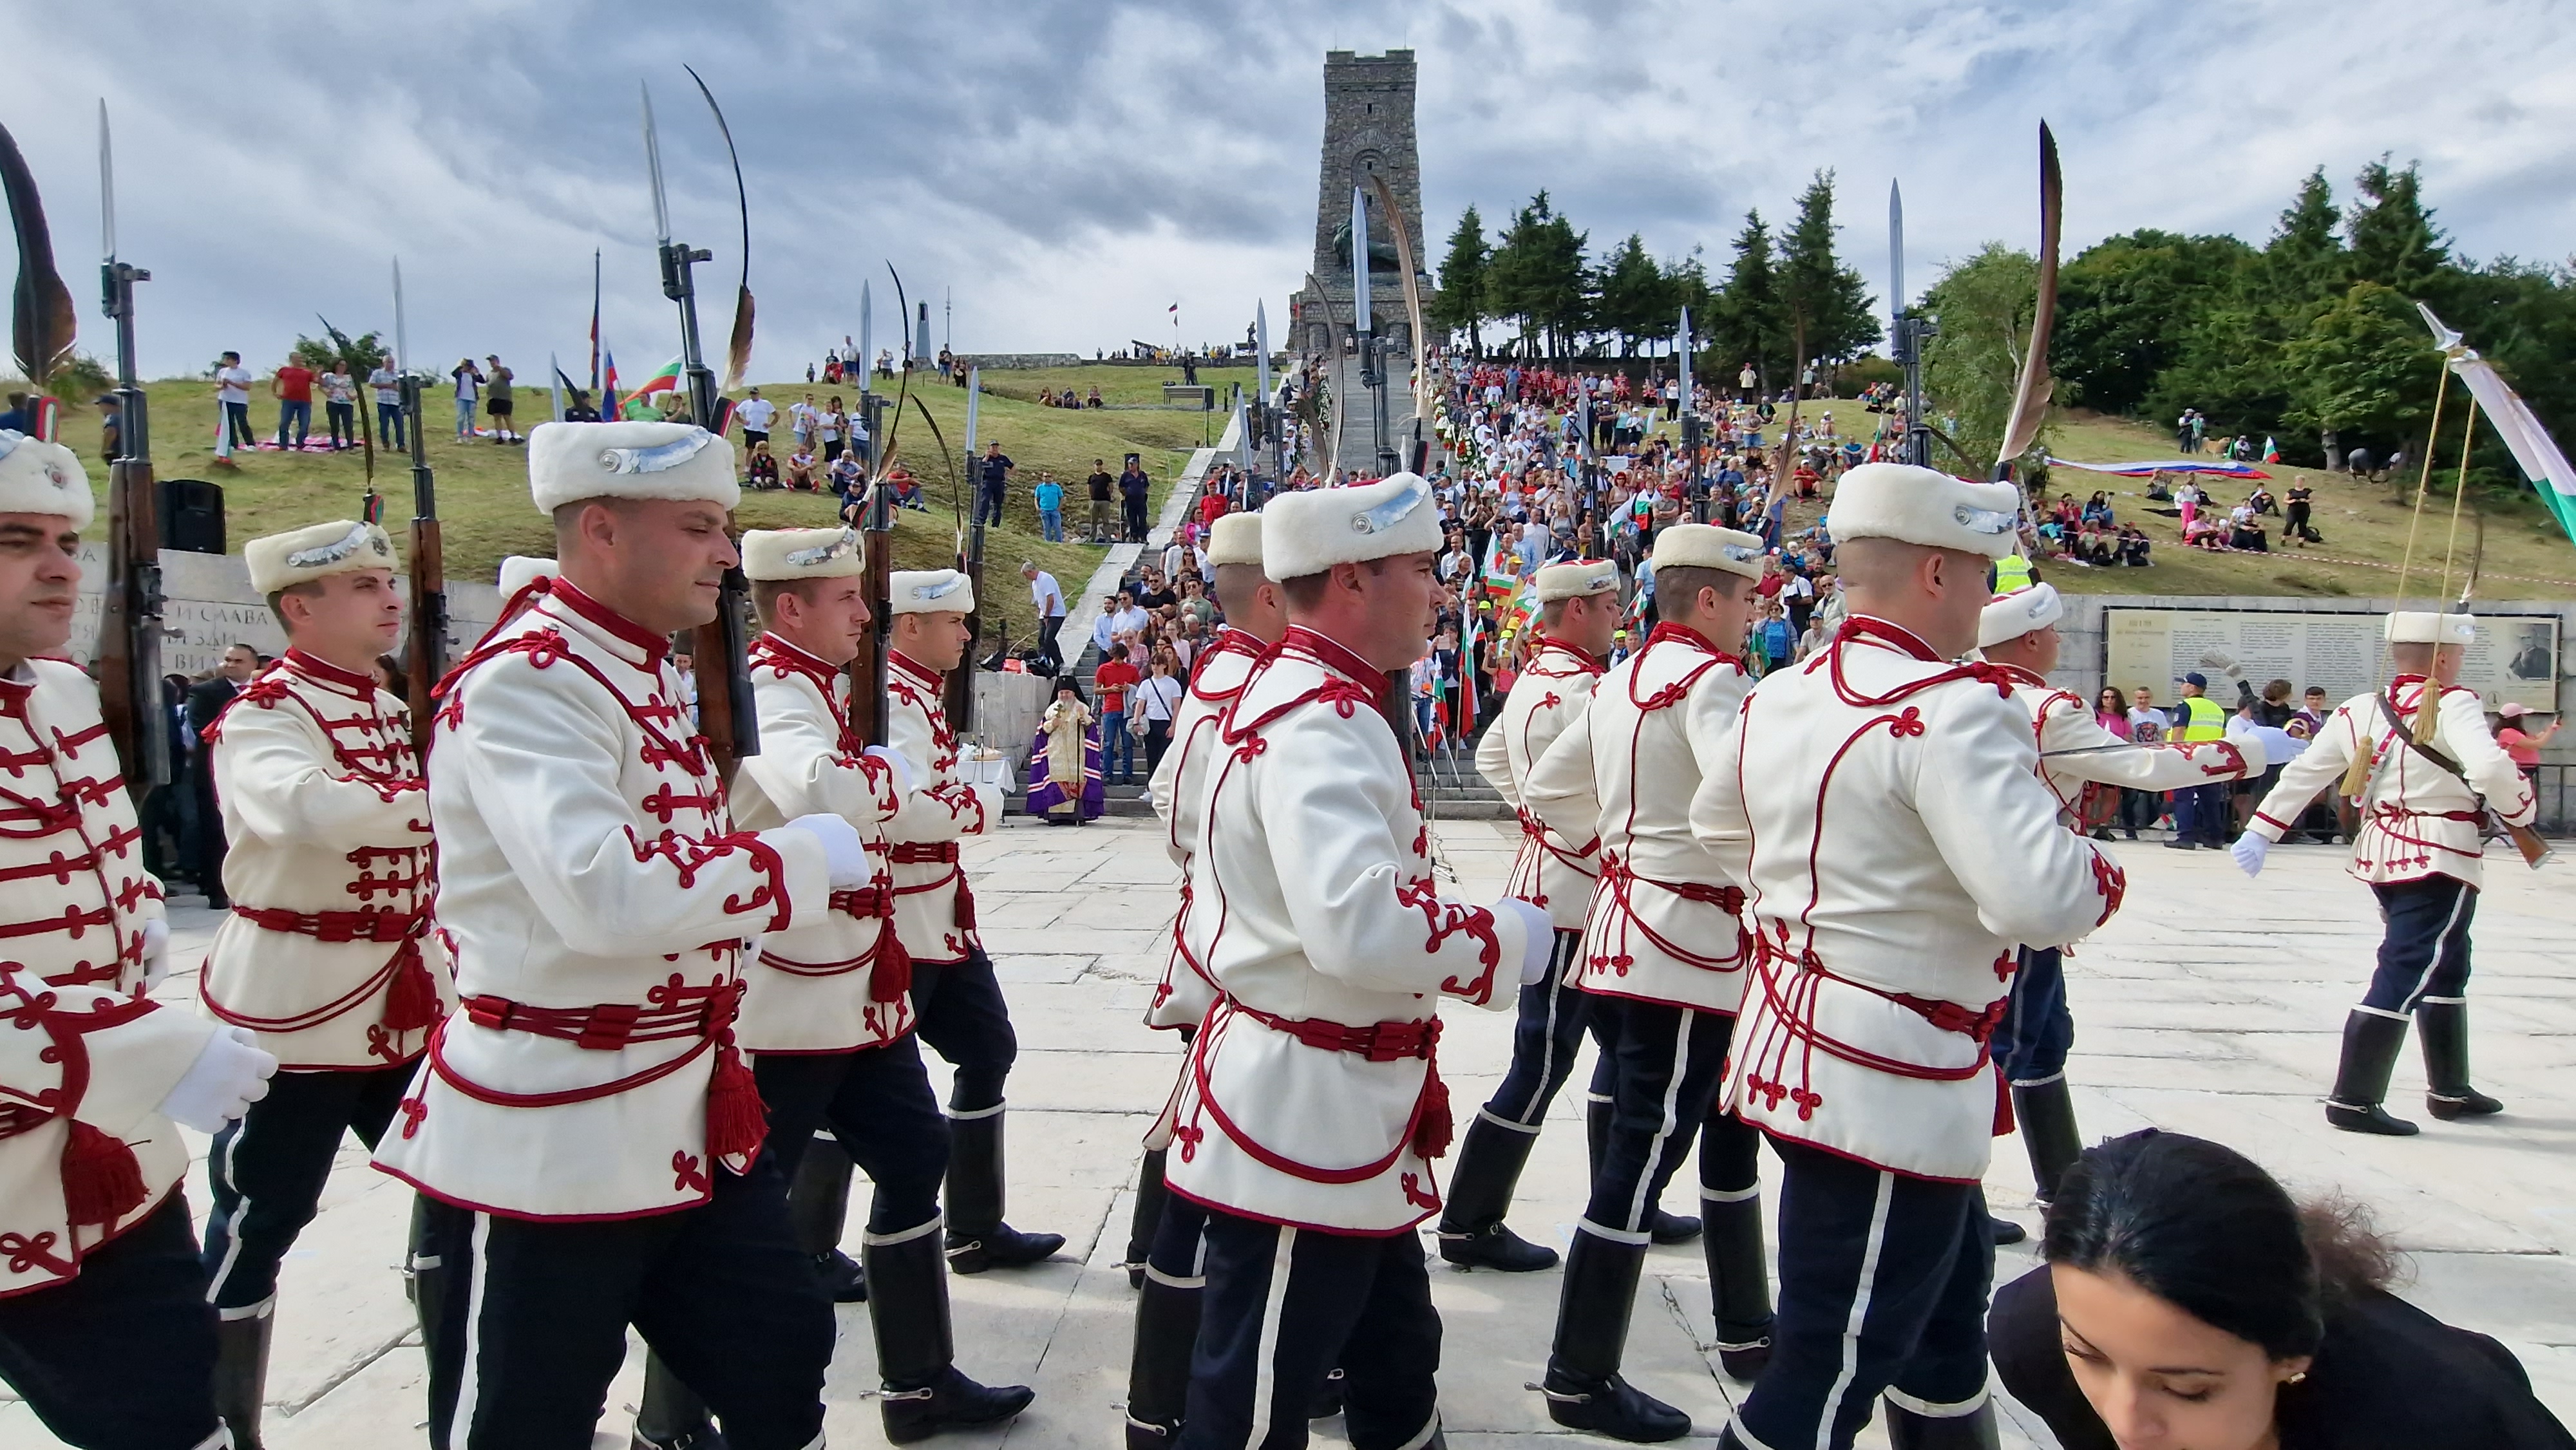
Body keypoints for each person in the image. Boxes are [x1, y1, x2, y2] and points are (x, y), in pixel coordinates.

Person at [372, 420, 869, 1448]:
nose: (727, 553)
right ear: (600, 529)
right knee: (529, 1412)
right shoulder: (531, 680)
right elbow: (608, 891)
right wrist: (794, 861)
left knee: (780, 1352)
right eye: (698, 527)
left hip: (679, 1105)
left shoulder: (633, 667)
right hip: (558, 1122)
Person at [1691, 462, 2126, 1450]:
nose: (1990, 595)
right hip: (1892, 1082)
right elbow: (2042, 896)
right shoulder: (1959, 705)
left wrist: (1825, 901)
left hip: (1800, 1050)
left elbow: (1719, 823)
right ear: (1937, 572)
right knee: (1826, 1368)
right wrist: (2099, 872)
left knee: (1939, 1324)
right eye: (1982, 571)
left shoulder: (1787, 690)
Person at [1162, 472, 1551, 1450]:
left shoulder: (1314, 701)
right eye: (1420, 569)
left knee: (1395, 1360)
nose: (1440, 589)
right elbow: (1357, 926)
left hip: (1340, 1114)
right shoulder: (1320, 723)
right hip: (1308, 1119)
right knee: (1255, 1397)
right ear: (1350, 582)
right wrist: (1504, 937)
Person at [638, 525, 1033, 1445]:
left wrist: (880, 781)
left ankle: (919, 1382)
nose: (867, 615)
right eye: (849, 599)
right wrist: (884, 778)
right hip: (789, 1004)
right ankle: (672, 1418)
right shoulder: (773, 689)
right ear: (789, 608)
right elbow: (824, 790)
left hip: (860, 994)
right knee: (733, 1217)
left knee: (910, 1157)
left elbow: (866, 792)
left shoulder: (827, 689)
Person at [0, 429, 278, 1449]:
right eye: (16, 538)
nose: (62, 566)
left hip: (106, 1142)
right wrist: (152, 1051)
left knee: (171, 1396)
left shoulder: (61, 691)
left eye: (67, 539)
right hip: (36, 1131)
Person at [194, 519, 458, 1447]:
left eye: (388, 581)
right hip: (302, 1007)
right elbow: (300, 806)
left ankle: (463, 1415)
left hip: (407, 998)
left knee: (457, 1200)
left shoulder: (389, 705)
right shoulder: (267, 712)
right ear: (298, 608)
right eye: (361, 586)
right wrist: (449, 802)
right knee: (260, 1214)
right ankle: (219, 1425)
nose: (389, 598)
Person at [1522, 526, 1773, 1439]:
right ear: (1710, 601)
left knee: (1723, 1132)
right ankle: (1580, 1376)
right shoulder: (1711, 683)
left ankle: (1748, 1328)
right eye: (1745, 599)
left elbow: (1549, 791)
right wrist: (1737, 877)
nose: (1753, 617)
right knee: (1641, 1159)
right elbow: (1742, 798)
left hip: (1631, 937)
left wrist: (1620, 854)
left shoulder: (1621, 678)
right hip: (1689, 951)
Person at [1991, 1129, 2576, 1450]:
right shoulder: (2035, 1339)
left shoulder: (2438, 1427)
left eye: (2188, 1390)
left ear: (2290, 1361)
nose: (2128, 1424)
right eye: (2088, 1356)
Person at [1976, 584, 2262, 1227]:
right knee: (2003, 1046)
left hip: (1989, 896)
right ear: (2031, 640)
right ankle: (1959, 1196)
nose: (2056, 643)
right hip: (2023, 897)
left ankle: (2061, 1185)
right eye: (2050, 633)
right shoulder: (2047, 707)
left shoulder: (1961, 691)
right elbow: (2142, 766)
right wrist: (2249, 752)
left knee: (2041, 1038)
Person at [2231, 610, 2537, 1135]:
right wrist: (2523, 811)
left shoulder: (2359, 709)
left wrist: (2262, 829)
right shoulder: (2454, 703)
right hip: (2440, 851)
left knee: (2448, 960)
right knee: (2408, 966)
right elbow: (2488, 770)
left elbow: (2308, 771)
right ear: (2442, 657)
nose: (2461, 663)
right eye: (2458, 655)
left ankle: (2449, 1089)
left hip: (2382, 851)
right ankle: (2354, 1098)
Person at [1122, 516, 1281, 1450]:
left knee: (1197, 1132)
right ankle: (1168, 1398)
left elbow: (1173, 804)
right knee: (1215, 1172)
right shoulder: (1246, 682)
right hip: (1240, 951)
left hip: (1217, 936)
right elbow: (1182, 807)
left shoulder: (1222, 674)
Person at [1439, 558, 1622, 1276]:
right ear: (1575, 609)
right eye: (1606, 605)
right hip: (1576, 898)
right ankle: (1470, 1219)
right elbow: (1578, 785)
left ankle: (1623, 1199)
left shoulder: (1534, 681)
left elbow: (1492, 755)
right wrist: (1580, 832)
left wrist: (1540, 822)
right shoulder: (1583, 688)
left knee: (1616, 1050)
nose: (1616, 616)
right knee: (1542, 1062)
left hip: (1552, 885)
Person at [879, 567, 1063, 1274]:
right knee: (861, 1093)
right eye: (954, 622)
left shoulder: (917, 695)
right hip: (902, 921)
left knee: (989, 1049)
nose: (966, 635)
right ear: (911, 627)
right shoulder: (891, 699)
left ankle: (975, 1225)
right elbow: (898, 803)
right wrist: (978, 804)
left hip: (943, 918)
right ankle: (814, 1250)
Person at [187, 642, 262, 907]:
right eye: (228, 660)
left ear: (254, 665)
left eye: (238, 661)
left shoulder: (265, 691)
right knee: (214, 828)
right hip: (216, 770)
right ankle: (216, 889)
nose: (231, 665)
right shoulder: (205, 692)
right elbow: (202, 730)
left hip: (256, 770)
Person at [2165, 670, 2233, 848]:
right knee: (2210, 800)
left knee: (2184, 797)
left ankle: (2186, 837)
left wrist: (2173, 754)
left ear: (2192, 688)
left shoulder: (2185, 706)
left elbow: (2178, 733)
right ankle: (2215, 838)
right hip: (2210, 758)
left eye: (2184, 684)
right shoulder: (2217, 709)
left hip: (2188, 757)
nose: (2181, 687)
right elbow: (2223, 735)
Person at [1027, 681, 1103, 824]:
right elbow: (1043, 731)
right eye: (1062, 693)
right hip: (1056, 751)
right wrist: (1052, 724)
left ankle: (1077, 816)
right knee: (1056, 782)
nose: (1064, 696)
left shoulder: (1082, 708)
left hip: (1076, 751)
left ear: (1074, 694)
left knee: (1076, 781)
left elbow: (1090, 728)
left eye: (1067, 693)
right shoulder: (1052, 710)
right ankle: (1055, 817)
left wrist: (1083, 718)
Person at [1095, 642, 1142, 786]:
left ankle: (1127, 774)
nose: (1118, 661)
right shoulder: (1103, 668)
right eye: (1116, 658)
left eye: (1121, 658)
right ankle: (1107, 774)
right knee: (1109, 743)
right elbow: (1096, 690)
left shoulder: (1132, 669)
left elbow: (1139, 689)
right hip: (1110, 709)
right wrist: (1110, 689)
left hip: (1127, 710)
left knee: (1127, 744)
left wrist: (1129, 688)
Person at [1135, 648, 1184, 777]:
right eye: (1153, 664)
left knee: (1164, 757)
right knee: (1151, 758)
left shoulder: (1173, 684)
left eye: (1158, 664)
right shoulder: (1146, 684)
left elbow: (1176, 707)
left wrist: (1173, 725)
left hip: (1165, 722)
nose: (1155, 667)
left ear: (1164, 665)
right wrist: (1136, 722)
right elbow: (1140, 704)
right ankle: (1150, 787)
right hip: (1150, 723)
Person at [1023, 560, 1068, 673]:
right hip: (1044, 614)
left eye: (1026, 575)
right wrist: (1043, 615)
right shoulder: (1035, 583)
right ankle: (1045, 660)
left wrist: (1047, 615)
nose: (1026, 577)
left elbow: (1050, 599)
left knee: (1049, 638)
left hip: (1056, 613)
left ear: (1031, 571)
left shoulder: (1045, 579)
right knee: (1041, 639)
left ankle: (1059, 661)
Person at [2497, 702, 2557, 783]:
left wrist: (2551, 727)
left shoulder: (2515, 732)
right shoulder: (2507, 733)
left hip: (2526, 768)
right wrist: (2551, 730)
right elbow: (2536, 745)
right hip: (2519, 769)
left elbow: (2535, 738)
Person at [272, 352, 316, 450]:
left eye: (301, 358)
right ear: (291, 359)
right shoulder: (285, 370)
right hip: (288, 400)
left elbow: (316, 381)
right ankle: (283, 445)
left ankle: (300, 442)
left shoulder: (307, 372)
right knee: (284, 423)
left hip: (305, 401)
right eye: (298, 358)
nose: (300, 360)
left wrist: (319, 372)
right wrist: (275, 392)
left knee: (304, 424)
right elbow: (275, 381)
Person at [369, 355, 406, 450]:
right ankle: (385, 444)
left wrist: (396, 388)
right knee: (384, 424)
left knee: (399, 424)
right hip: (383, 402)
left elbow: (404, 389)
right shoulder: (377, 373)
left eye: (392, 362)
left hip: (396, 402)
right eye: (389, 362)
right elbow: (372, 384)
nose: (391, 364)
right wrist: (387, 385)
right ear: (384, 363)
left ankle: (401, 445)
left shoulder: (398, 375)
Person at [320, 361, 357, 449]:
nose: (342, 367)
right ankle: (336, 445)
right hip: (333, 402)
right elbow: (320, 385)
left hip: (347, 403)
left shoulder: (349, 377)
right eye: (340, 365)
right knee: (334, 425)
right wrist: (326, 392)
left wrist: (354, 396)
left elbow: (357, 389)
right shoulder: (329, 376)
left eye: (344, 365)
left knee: (348, 425)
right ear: (336, 365)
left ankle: (350, 446)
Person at [976, 441, 1014, 527]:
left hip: (999, 483)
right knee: (985, 500)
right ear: (989, 449)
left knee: (998, 504)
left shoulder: (1003, 458)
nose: (995, 449)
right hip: (988, 482)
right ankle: (981, 520)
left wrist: (1008, 475)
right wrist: (986, 456)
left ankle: (996, 524)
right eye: (993, 447)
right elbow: (981, 465)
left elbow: (1012, 466)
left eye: (996, 447)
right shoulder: (987, 458)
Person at [484, 357, 517, 444]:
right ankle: (499, 437)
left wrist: (500, 369)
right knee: (497, 417)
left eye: (493, 361)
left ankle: (513, 436)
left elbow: (510, 377)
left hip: (505, 398)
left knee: (507, 417)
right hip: (494, 398)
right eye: (490, 362)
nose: (492, 363)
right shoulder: (489, 374)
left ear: (497, 361)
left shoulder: (505, 370)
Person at [1121, 455, 1153, 542]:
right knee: (1132, 520)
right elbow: (1121, 487)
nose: (1131, 466)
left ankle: (1143, 537)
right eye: (1130, 464)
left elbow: (1146, 485)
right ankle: (1134, 537)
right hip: (1130, 501)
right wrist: (1126, 494)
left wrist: (1142, 492)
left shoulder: (1142, 475)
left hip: (1141, 500)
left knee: (1142, 519)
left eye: (1133, 464)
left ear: (1137, 465)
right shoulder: (1125, 475)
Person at [734, 386, 776, 452]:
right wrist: (743, 421)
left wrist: (771, 424)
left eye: (755, 394)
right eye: (752, 394)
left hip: (763, 430)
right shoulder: (746, 403)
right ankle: (748, 463)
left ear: (758, 394)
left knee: (764, 450)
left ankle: (762, 462)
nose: (753, 395)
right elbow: (736, 413)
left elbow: (776, 415)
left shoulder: (766, 403)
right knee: (750, 449)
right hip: (751, 430)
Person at [449, 357, 482, 439]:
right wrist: (461, 367)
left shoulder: (473, 376)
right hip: (461, 398)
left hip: (472, 399)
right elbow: (453, 373)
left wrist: (477, 373)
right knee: (461, 418)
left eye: (469, 366)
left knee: (471, 419)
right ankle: (460, 435)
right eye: (466, 366)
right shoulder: (460, 374)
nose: (468, 368)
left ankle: (470, 436)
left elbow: (483, 380)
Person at [1088, 458, 1117, 542]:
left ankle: (1108, 538)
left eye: (1100, 465)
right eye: (1097, 465)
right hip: (1094, 501)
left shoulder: (1107, 476)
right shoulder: (1092, 477)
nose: (1098, 466)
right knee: (1094, 521)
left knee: (1106, 521)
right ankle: (1092, 538)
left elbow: (1111, 487)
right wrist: (1091, 495)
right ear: (1094, 466)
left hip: (1104, 501)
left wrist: (1109, 495)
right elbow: (1089, 487)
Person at [1034, 472, 1066, 542]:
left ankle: (1059, 543)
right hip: (1044, 511)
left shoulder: (1057, 487)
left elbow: (1062, 498)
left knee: (1057, 528)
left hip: (1055, 511)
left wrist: (1059, 508)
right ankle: (1048, 542)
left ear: (1052, 478)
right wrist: (1037, 507)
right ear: (1043, 478)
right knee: (1047, 528)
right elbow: (1036, 498)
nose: (1047, 478)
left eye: (1049, 476)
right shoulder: (1039, 488)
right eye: (1046, 476)